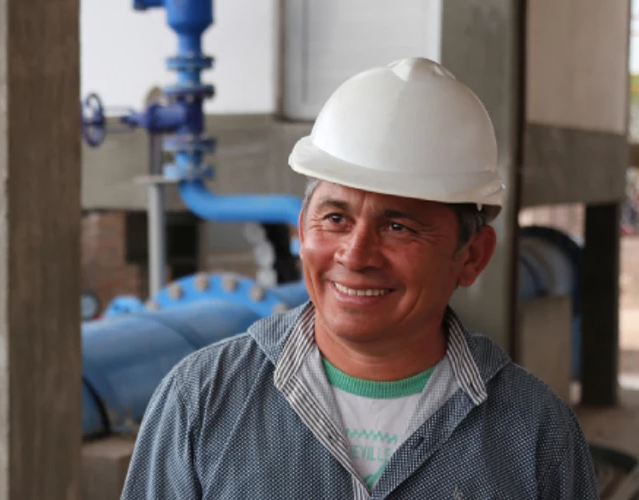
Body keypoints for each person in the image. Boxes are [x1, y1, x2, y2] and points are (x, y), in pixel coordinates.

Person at [121, 57, 599, 499]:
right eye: (335, 219)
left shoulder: (536, 435)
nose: (355, 254)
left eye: (398, 227)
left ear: (472, 255)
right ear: (302, 228)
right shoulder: (202, 401)